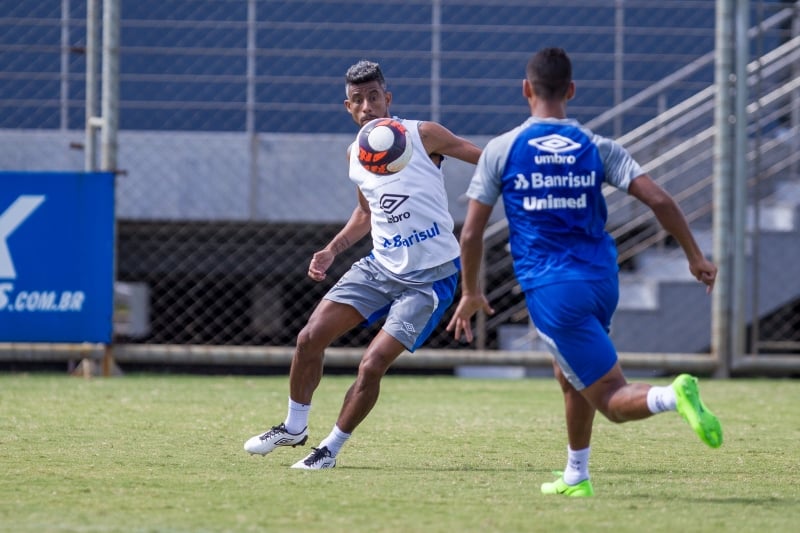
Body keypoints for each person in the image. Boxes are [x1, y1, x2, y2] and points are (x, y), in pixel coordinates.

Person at [446, 47, 722, 496]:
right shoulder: (598, 147)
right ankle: (576, 475)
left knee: (611, 399)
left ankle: (672, 395)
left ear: (525, 90)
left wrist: (472, 291)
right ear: (571, 91)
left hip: (554, 289)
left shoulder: (503, 149)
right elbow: (661, 201)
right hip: (601, 281)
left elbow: (472, 234)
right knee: (569, 371)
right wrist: (694, 256)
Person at [244, 59, 482, 469]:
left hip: (428, 280)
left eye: (374, 97)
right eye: (358, 100)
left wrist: (523, 170)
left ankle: (330, 450)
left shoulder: (423, 135)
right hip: (380, 266)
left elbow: (482, 158)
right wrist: (332, 250)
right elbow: (365, 214)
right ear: (348, 107)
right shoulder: (356, 153)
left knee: (371, 364)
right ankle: (293, 426)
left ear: (388, 99)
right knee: (308, 338)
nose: (367, 106)